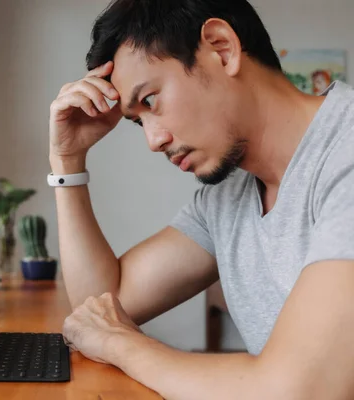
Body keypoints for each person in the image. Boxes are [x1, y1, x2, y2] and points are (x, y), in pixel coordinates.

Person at [49, 0, 354, 398]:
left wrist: (121, 343)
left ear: (221, 48)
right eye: (139, 120)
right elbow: (99, 306)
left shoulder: (345, 154)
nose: (153, 140)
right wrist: (67, 161)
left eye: (151, 101)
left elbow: (300, 390)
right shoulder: (229, 199)